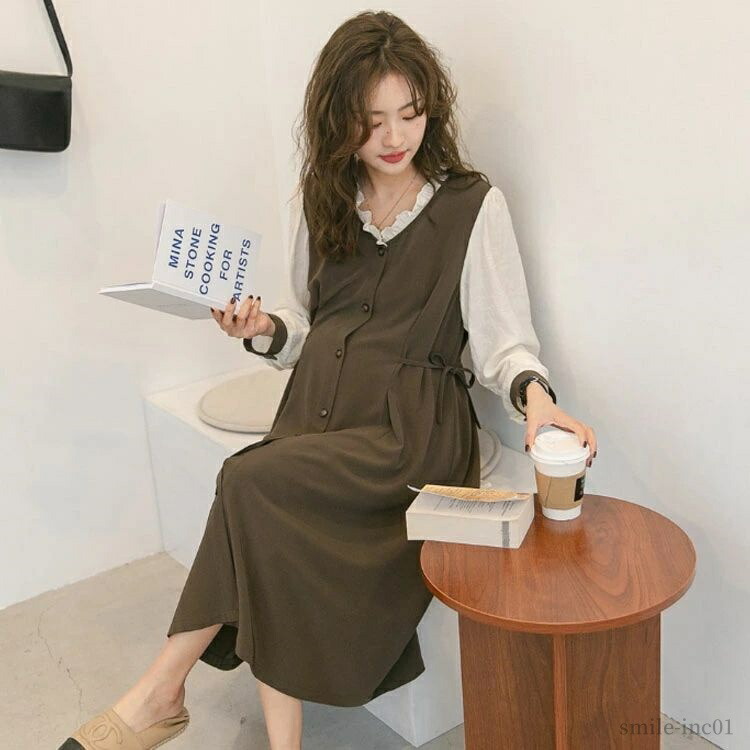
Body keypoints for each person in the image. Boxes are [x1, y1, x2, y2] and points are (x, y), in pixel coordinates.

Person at [59, 10, 597, 750]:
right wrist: (261, 330)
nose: (394, 136)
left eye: (410, 113)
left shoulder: (473, 205)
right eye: (371, 121)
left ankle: (159, 692)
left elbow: (506, 343)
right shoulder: (323, 202)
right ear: (338, 120)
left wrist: (537, 401)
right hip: (316, 408)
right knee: (264, 512)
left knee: (249, 483)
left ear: (431, 108)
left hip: (410, 435)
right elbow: (305, 324)